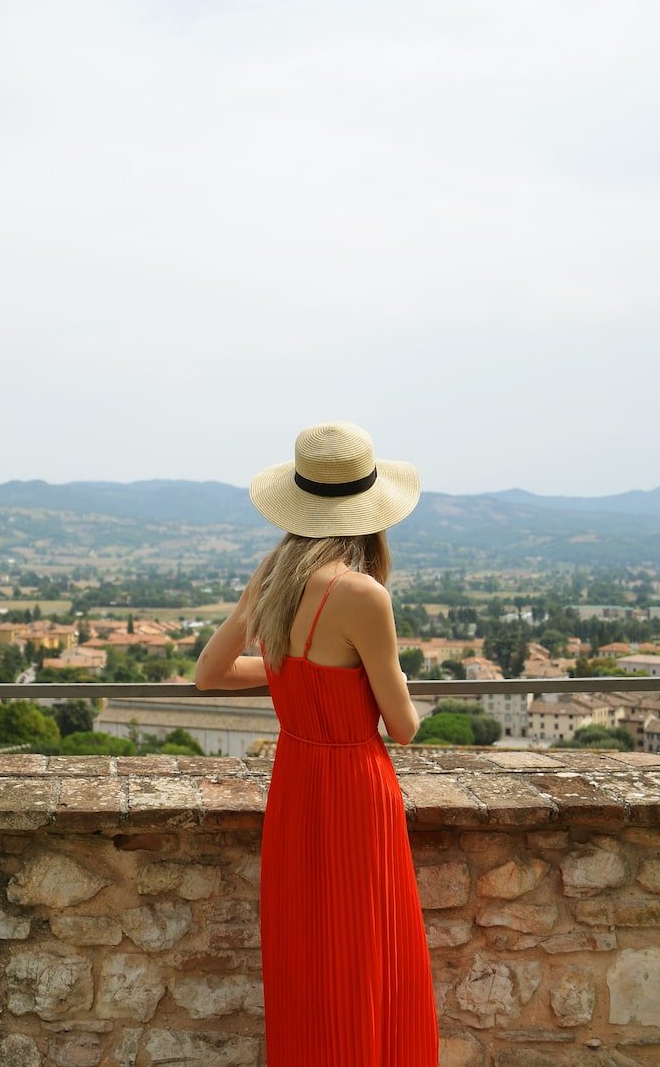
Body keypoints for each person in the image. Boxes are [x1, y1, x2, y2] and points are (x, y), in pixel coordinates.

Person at [194, 421, 439, 1066]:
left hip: (296, 785)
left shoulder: (276, 578)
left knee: (306, 959)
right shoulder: (362, 595)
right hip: (356, 791)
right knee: (363, 957)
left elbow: (212, 673)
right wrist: (393, 681)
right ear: (369, 512)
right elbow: (405, 727)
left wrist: (291, 673)